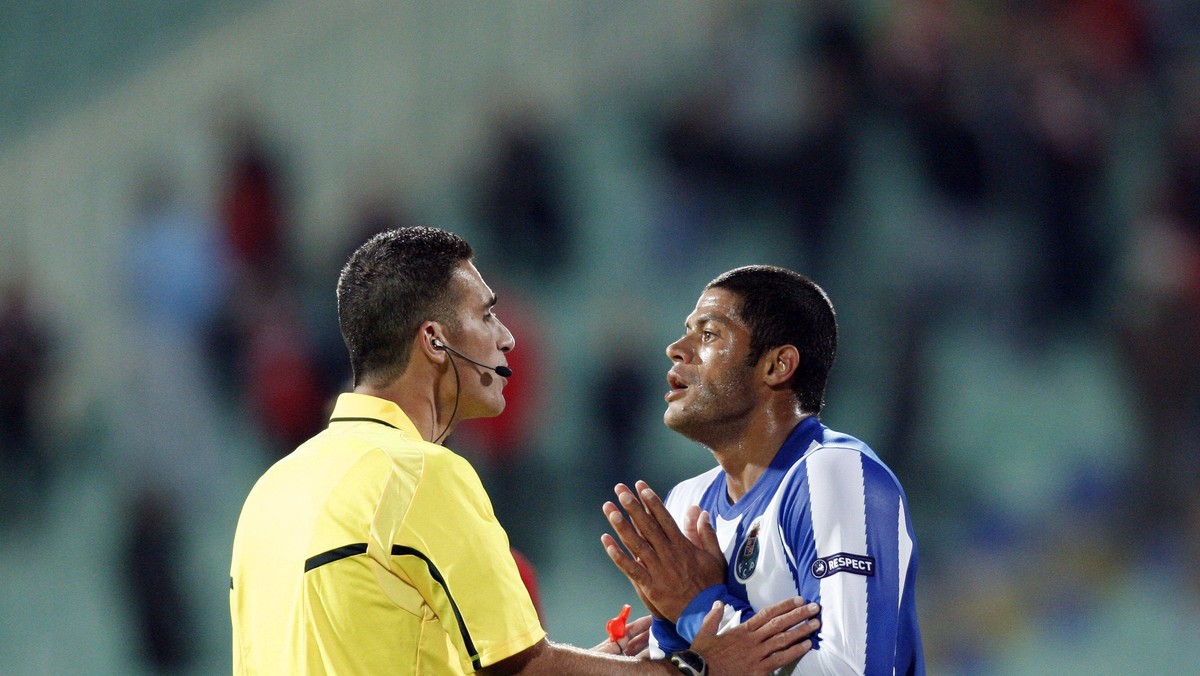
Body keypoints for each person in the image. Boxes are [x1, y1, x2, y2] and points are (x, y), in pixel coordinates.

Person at [230, 228, 822, 675]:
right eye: (487, 315)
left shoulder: (267, 496)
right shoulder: (417, 474)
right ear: (435, 341)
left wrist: (594, 665)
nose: (507, 336)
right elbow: (528, 673)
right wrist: (694, 668)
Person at [602, 265, 925, 674]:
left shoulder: (833, 475)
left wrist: (698, 609)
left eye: (708, 334)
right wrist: (668, 632)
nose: (676, 348)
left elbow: (854, 669)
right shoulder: (688, 500)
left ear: (777, 365)